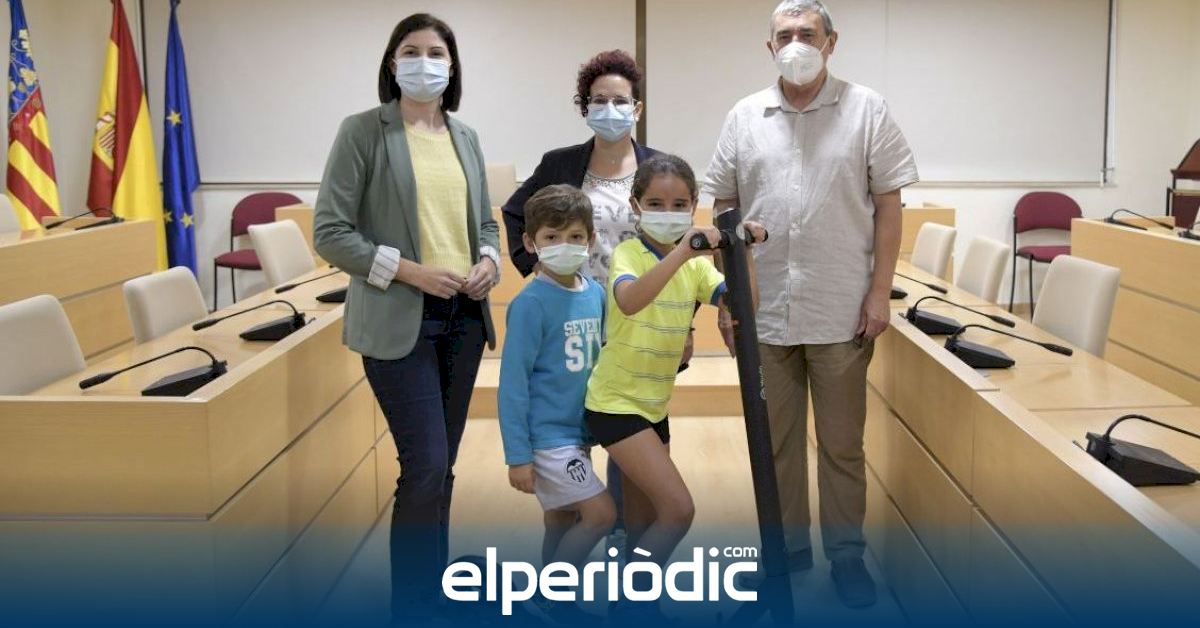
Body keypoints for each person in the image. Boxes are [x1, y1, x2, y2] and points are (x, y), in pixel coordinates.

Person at [703, 0, 919, 609]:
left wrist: (879, 291)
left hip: (841, 309)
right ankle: (786, 552)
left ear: (831, 41)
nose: (795, 42)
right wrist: (729, 295)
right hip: (764, 310)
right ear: (769, 46)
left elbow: (890, 207)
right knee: (774, 443)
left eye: (807, 32)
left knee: (843, 445)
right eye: (785, 34)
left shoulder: (867, 109)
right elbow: (723, 209)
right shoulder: (744, 116)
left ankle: (846, 556)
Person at [312, 13, 500, 623]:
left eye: (436, 52)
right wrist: (411, 271)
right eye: (411, 51)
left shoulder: (465, 136)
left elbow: (485, 222)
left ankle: (436, 594)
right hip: (400, 321)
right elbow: (331, 232)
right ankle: (413, 609)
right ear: (393, 64)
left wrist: (490, 260)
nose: (425, 62)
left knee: (441, 470)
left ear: (453, 65)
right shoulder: (363, 131)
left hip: (463, 318)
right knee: (423, 467)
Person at [499, 49, 678, 546]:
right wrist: (534, 265)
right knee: (573, 437)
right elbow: (516, 214)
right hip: (572, 312)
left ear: (637, 107)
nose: (610, 109)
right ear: (585, 107)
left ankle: (626, 549)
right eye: (599, 100)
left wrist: (683, 324)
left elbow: (675, 249)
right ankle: (573, 549)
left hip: (637, 322)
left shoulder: (657, 167)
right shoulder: (560, 163)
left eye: (620, 100)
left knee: (629, 440)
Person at [585, 154, 764, 621]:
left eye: (680, 204)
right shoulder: (629, 254)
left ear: (694, 205)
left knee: (644, 523)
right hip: (615, 404)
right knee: (678, 510)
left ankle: (637, 610)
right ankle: (629, 602)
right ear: (636, 206)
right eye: (656, 204)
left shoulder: (698, 269)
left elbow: (745, 306)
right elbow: (630, 300)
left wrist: (743, 252)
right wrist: (684, 252)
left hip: (653, 407)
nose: (669, 212)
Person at [498, 184, 616, 623]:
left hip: (579, 434)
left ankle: (550, 601)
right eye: (551, 237)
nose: (564, 245)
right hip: (548, 439)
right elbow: (513, 385)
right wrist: (518, 456)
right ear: (531, 243)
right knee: (600, 514)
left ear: (590, 239)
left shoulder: (595, 293)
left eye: (574, 236)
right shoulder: (530, 304)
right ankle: (551, 596)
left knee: (562, 520)